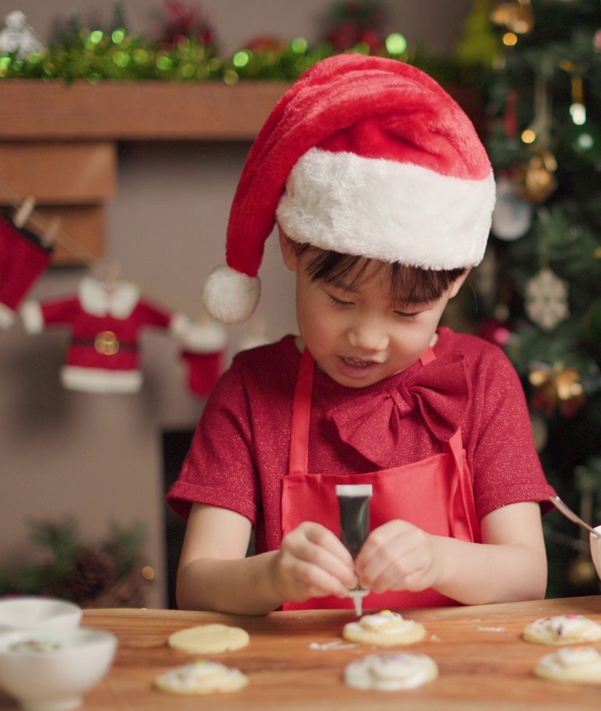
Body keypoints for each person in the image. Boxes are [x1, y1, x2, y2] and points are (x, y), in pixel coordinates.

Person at [166, 53, 554, 615]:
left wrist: (439, 560)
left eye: (405, 315)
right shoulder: (251, 393)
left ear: (454, 283)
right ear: (293, 248)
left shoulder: (483, 380)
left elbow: (527, 576)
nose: (368, 339)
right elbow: (197, 584)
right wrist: (274, 575)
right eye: (343, 302)